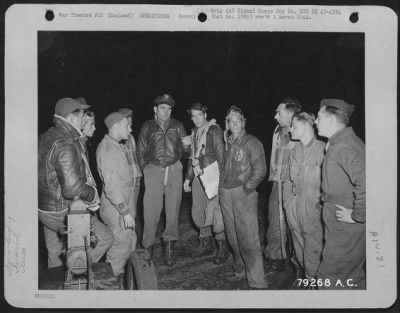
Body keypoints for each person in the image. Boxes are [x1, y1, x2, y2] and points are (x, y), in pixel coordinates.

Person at [38, 97, 111, 268]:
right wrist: (92, 195)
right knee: (105, 237)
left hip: (42, 209)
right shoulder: (65, 143)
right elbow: (72, 189)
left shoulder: (45, 136)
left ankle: (56, 282)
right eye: (81, 116)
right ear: (71, 117)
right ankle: (75, 269)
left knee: (55, 252)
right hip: (60, 212)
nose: (83, 119)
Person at [315, 99, 366, 289]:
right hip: (339, 224)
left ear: (330, 121)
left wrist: (358, 216)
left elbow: (368, 180)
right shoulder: (339, 143)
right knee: (349, 277)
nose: (315, 122)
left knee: (330, 277)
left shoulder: (346, 146)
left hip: (346, 227)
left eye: (319, 118)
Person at [137, 94, 190, 266]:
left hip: (174, 168)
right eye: (162, 108)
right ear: (155, 109)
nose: (166, 112)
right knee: (150, 212)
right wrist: (146, 169)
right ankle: (148, 248)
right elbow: (140, 150)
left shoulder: (178, 125)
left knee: (173, 210)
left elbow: (186, 152)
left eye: (168, 109)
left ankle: (169, 249)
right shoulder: (147, 126)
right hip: (153, 168)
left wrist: (187, 146)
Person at [220, 105, 268, 289]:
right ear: (227, 124)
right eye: (231, 121)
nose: (235, 124)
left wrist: (247, 188)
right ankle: (240, 270)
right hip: (226, 193)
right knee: (232, 237)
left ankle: (257, 281)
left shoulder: (252, 142)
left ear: (243, 122)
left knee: (248, 238)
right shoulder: (228, 142)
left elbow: (260, 170)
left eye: (238, 120)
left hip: (243, 193)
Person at [183, 102, 229, 264]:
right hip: (198, 177)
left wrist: (222, 181)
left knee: (216, 212)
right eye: (193, 116)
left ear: (205, 114)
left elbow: (222, 157)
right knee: (199, 210)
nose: (196, 119)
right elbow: (192, 158)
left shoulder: (214, 131)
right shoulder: (194, 132)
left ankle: (222, 247)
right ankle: (205, 242)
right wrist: (188, 178)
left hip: (212, 177)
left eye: (199, 115)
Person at [96, 110, 138, 277]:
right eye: (127, 125)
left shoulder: (115, 146)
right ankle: (113, 285)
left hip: (122, 207)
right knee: (120, 249)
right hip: (117, 209)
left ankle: (126, 280)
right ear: (116, 126)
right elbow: (112, 187)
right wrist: (125, 212)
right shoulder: (108, 150)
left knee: (129, 242)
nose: (130, 129)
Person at [264, 97, 302, 274]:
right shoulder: (278, 130)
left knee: (296, 224)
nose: (275, 116)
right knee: (274, 221)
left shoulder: (302, 132)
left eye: (278, 112)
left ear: (290, 114)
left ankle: (299, 262)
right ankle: (276, 257)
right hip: (278, 181)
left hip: (295, 185)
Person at [286, 112, 324, 285]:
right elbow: (292, 180)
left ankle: (314, 285)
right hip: (297, 208)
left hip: (314, 210)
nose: (290, 129)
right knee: (299, 247)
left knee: (314, 251)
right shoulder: (296, 150)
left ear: (305, 126)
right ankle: (306, 278)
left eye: (293, 126)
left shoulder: (323, 149)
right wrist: (290, 207)